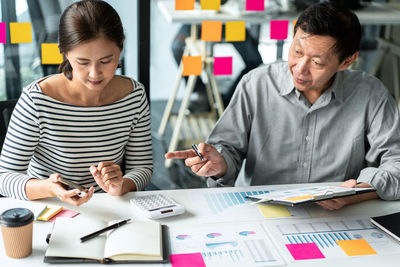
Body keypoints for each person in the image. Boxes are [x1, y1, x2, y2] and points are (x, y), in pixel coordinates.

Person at [165, 2, 400, 210]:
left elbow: (396, 160)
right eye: (296, 52)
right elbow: (227, 148)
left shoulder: (370, 93)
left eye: (316, 62)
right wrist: (220, 163)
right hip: (263, 208)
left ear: (347, 61)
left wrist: (360, 192)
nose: (299, 68)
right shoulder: (257, 84)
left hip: (338, 214)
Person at [0, 0, 153, 206]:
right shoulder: (37, 100)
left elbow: (142, 167)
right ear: (65, 52)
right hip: (50, 206)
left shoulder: (134, 96)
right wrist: (51, 187)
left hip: (109, 206)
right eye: (83, 62)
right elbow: (5, 177)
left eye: (106, 61)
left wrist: (121, 185)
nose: (95, 73)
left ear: (120, 48)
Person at [171, 0, 263, 110]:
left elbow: (257, 5)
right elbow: (182, 4)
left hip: (231, 23)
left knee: (254, 60)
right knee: (178, 47)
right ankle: (201, 92)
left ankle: (230, 100)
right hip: (198, 21)